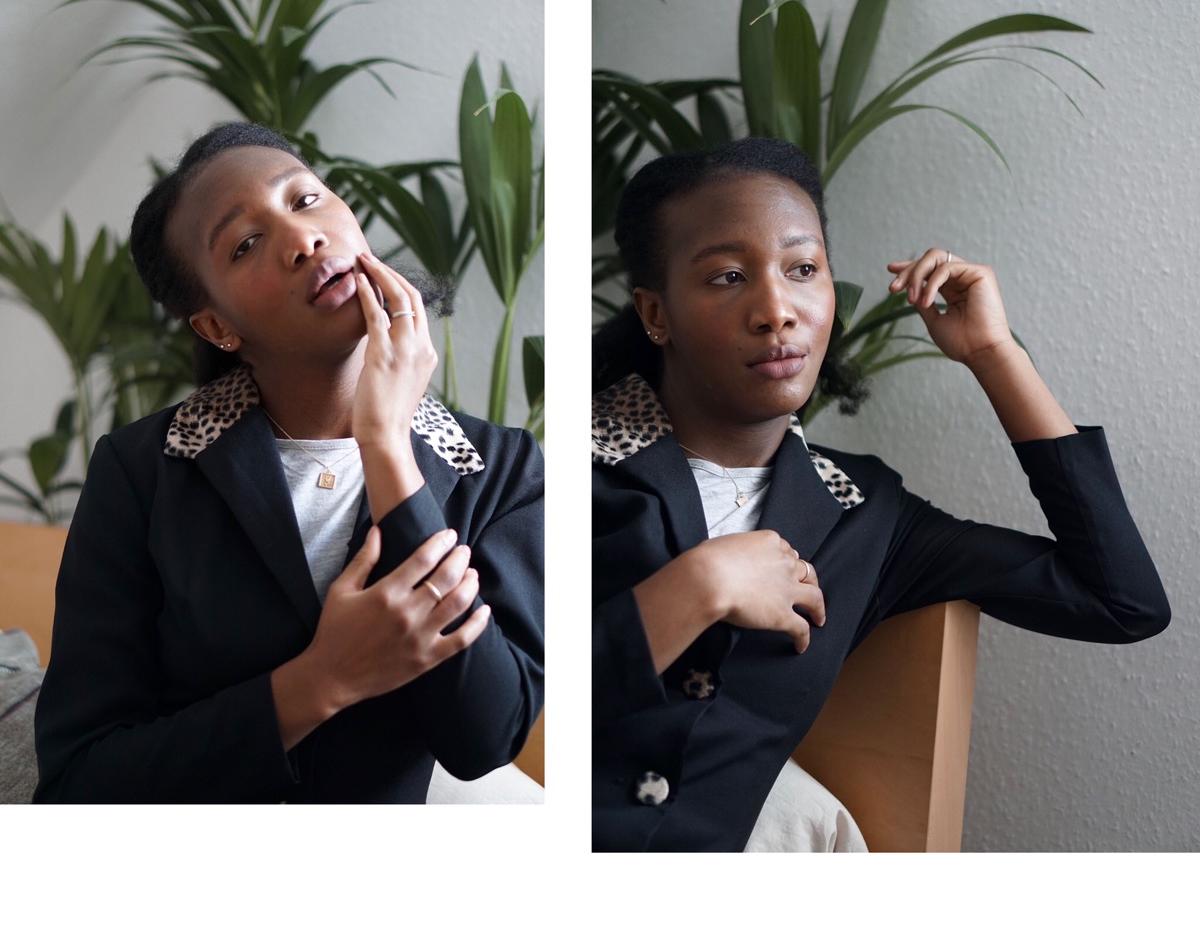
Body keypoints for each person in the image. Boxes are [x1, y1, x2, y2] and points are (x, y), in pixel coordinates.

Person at [591, 137, 1170, 852]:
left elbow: (1122, 602)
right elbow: (501, 704)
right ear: (656, 313)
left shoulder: (863, 514)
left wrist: (995, 355)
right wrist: (699, 585)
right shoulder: (556, 476)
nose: (777, 309)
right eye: (727, 278)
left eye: (803, 269)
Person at [34, 122, 544, 803]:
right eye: (245, 244)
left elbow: (487, 735)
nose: (303, 240)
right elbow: (79, 783)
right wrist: (319, 682)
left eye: (305, 201)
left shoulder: (500, 467)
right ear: (217, 326)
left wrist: (387, 444)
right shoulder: (143, 473)